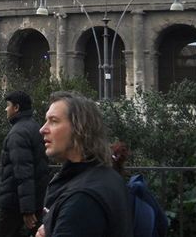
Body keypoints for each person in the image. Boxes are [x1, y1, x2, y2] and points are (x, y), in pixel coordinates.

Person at [36, 91, 133, 237]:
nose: (42, 129)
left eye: (54, 121)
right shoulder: (106, 175)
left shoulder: (81, 199)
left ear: (79, 129)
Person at [0, 91, 49, 237]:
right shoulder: (33, 127)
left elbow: (23, 172)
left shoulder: (18, 133)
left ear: (16, 107)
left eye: (8, 105)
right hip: (31, 200)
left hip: (14, 203)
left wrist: (27, 209)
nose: (6, 109)